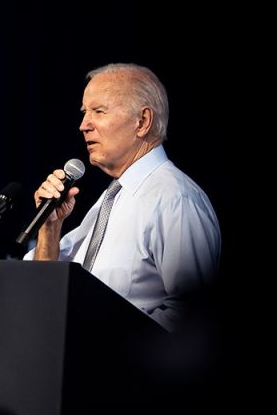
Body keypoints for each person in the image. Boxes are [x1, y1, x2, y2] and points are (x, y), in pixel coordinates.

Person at [22, 63, 221, 332]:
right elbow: (45, 292)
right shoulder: (112, 199)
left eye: (98, 111)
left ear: (142, 122)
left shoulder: (176, 198)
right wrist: (50, 228)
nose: (83, 125)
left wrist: (111, 351)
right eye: (84, 113)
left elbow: (192, 316)